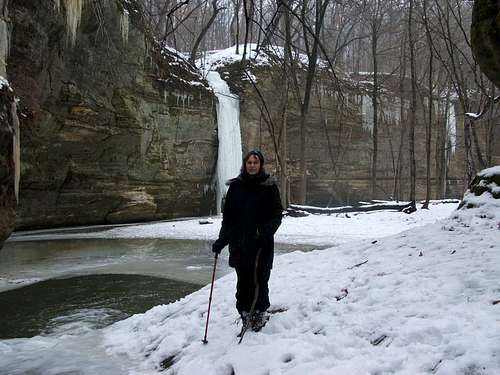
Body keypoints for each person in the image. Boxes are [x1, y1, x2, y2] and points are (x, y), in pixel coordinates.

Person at [212, 149, 283, 332]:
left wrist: (265, 232)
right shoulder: (235, 187)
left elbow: (277, 214)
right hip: (240, 244)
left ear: (261, 165)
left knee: (260, 280)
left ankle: (259, 313)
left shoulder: (269, 186)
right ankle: (245, 313)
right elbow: (228, 219)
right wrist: (221, 241)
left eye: (255, 162)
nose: (252, 165)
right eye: (249, 162)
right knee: (243, 281)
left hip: (261, 245)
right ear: (245, 164)